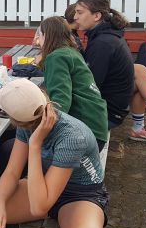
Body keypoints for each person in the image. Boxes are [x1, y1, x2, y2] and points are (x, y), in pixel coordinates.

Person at [0, 79, 108, 228]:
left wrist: (35, 144)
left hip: (79, 195)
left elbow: (39, 207)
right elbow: (12, 172)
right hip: (43, 184)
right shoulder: (29, 121)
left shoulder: (72, 136)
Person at [73, 0, 146, 143]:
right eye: (75, 13)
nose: (76, 17)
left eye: (79, 12)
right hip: (115, 105)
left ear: (96, 16)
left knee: (138, 72)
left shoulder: (103, 43)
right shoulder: (107, 34)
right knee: (139, 71)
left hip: (106, 113)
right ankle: (144, 125)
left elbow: (91, 85)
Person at [35, 16, 109, 150]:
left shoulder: (56, 57)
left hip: (85, 134)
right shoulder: (71, 53)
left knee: (11, 147)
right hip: (97, 127)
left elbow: (61, 102)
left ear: (46, 35)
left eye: (39, 35)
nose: (36, 41)